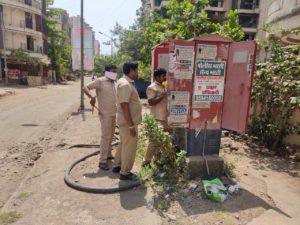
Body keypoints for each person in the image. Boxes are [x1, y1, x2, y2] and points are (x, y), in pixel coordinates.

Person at [83, 64, 118, 170]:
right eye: (113, 71)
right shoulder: (100, 81)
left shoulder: (114, 83)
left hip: (113, 113)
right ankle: (102, 161)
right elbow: (85, 87)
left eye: (115, 71)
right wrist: (91, 96)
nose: (115, 73)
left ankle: (108, 154)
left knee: (111, 136)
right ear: (107, 72)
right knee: (105, 136)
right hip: (105, 114)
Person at [113, 62, 142, 180]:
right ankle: (125, 172)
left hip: (125, 121)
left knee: (123, 143)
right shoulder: (125, 84)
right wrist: (131, 126)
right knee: (129, 146)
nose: (138, 73)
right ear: (131, 70)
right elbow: (124, 105)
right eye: (137, 70)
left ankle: (117, 165)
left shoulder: (124, 82)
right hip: (128, 122)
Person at [142, 68, 168, 166]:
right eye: (163, 76)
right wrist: (162, 96)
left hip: (163, 117)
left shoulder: (162, 86)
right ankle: (146, 161)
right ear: (157, 77)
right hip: (156, 117)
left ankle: (157, 159)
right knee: (153, 141)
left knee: (160, 140)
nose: (165, 78)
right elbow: (151, 102)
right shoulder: (152, 87)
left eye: (165, 75)